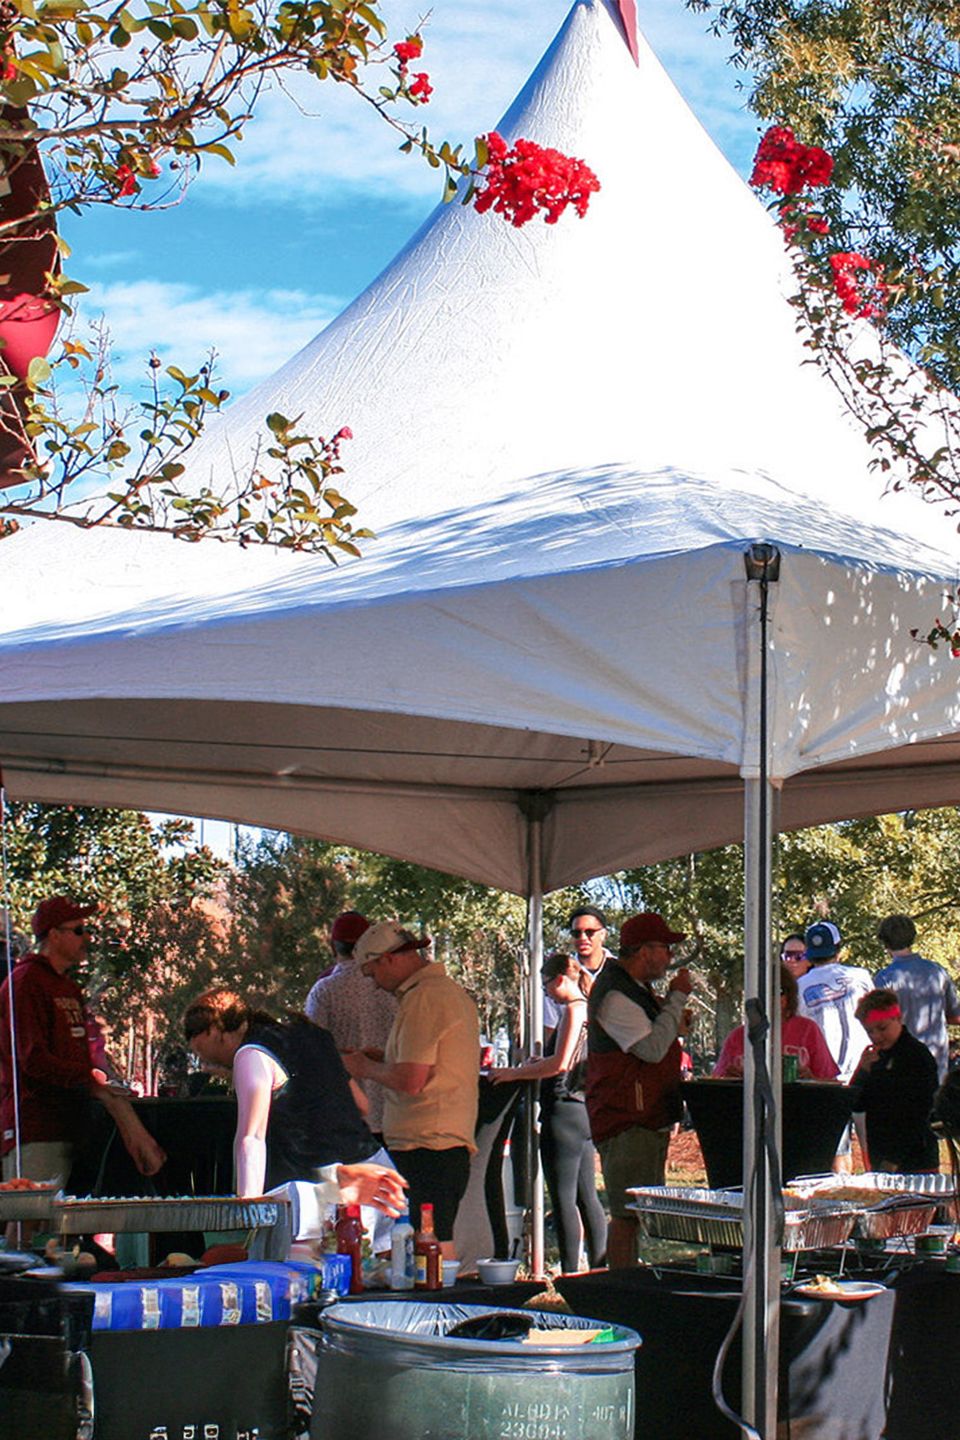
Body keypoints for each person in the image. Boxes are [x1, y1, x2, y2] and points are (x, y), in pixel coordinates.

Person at [182, 989, 404, 1218]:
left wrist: (248, 1211)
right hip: (375, 1170)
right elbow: (362, 1104)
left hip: (326, 1186)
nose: (204, 1062)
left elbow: (251, 1139)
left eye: (199, 1050)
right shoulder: (311, 1035)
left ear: (214, 1030)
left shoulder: (251, 1054)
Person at [0, 896, 166, 1197]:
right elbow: (32, 1059)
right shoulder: (25, 982)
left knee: (67, 1224)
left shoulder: (68, 987)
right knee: (30, 1218)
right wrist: (90, 1080)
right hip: (37, 1126)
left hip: (75, 1125)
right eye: (78, 930)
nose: (87, 938)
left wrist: (102, 1082)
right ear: (53, 935)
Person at [345, 921, 480, 1259]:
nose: (374, 984)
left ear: (388, 959)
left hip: (428, 1144)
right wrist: (384, 1059)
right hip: (436, 1141)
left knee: (428, 1247)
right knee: (428, 1243)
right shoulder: (439, 992)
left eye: (371, 973)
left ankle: (438, 1309)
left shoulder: (426, 997)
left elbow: (412, 1080)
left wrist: (364, 1068)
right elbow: (425, 1066)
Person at [586, 911, 692, 1268]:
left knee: (635, 1211)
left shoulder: (634, 989)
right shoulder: (615, 995)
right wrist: (676, 1000)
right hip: (627, 1118)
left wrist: (671, 1017)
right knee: (628, 1213)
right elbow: (650, 1049)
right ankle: (620, 1283)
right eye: (665, 948)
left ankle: (626, 1278)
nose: (670, 957)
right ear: (645, 950)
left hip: (642, 1114)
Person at [492, 952, 607, 1273]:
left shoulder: (574, 1009)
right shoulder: (589, 1009)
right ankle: (599, 1266)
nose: (546, 995)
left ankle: (571, 1270)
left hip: (564, 1110)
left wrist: (515, 1073)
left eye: (546, 988)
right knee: (587, 1197)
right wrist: (534, 1065)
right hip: (582, 1110)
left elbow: (560, 1063)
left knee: (564, 1199)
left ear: (560, 980)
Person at [304, 910, 398, 1140]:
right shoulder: (393, 986)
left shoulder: (325, 991)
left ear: (333, 946)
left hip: (347, 1113)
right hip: (394, 1111)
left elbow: (312, 1050)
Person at [848, 988, 940, 1173]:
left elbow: (920, 1112)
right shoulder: (874, 1058)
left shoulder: (917, 1055)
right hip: (880, 1151)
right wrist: (862, 1071)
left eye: (882, 1028)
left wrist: (894, 1158)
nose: (876, 1036)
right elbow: (856, 1105)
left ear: (897, 1019)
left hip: (916, 1157)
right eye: (869, 1031)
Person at [713, 963, 839, 1079]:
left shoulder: (808, 1030)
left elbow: (830, 1083)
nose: (770, 997)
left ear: (789, 995)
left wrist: (810, 1079)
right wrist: (729, 1077)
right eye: (762, 991)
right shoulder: (738, 1036)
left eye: (778, 991)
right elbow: (716, 1083)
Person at [874, 914, 960, 1082]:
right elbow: (956, 1016)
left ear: (885, 942)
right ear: (912, 937)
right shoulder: (937, 972)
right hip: (936, 1061)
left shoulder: (884, 979)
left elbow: (878, 1024)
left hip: (901, 1063)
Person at [543, 906, 613, 1039]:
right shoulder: (558, 974)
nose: (583, 938)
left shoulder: (622, 972)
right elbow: (549, 1029)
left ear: (603, 934)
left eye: (590, 932)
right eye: (576, 933)